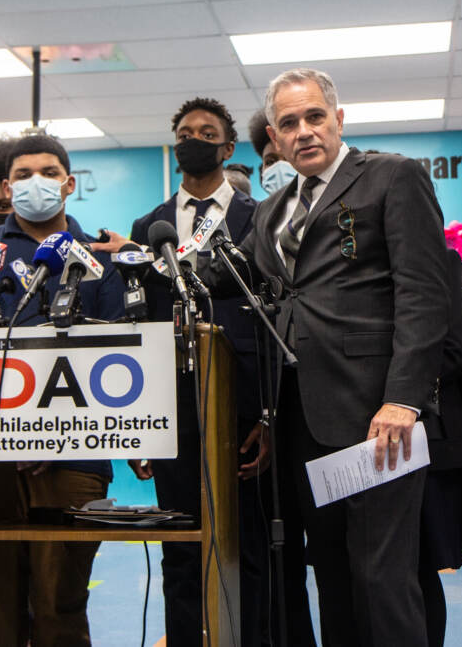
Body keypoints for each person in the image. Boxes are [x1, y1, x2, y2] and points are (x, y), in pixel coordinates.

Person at [214, 68, 449, 645]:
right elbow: (235, 279)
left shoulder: (393, 177)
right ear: (274, 136)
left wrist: (403, 399)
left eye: (315, 116)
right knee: (336, 575)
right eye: (289, 124)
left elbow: (424, 293)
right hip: (302, 419)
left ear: (339, 119)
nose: (304, 132)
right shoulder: (270, 212)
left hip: (377, 415)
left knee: (383, 577)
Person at [93, 96, 276, 647]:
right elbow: (139, 323)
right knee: (180, 545)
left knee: (249, 547)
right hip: (171, 407)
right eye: (184, 132)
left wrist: (268, 414)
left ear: (227, 147)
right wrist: (138, 423)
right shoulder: (148, 225)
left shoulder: (258, 218)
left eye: (206, 131)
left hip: (242, 402)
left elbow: (273, 322)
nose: (192, 139)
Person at [0, 134, 125, 647]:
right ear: (5, 185)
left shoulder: (99, 255)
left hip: (75, 454)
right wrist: (4, 428)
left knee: (60, 604)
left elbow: (112, 355)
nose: (34, 183)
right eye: (22, 175)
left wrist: (44, 435)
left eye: (47, 172)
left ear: (68, 184)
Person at [419, 248, 462, 646]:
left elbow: (455, 351)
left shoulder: (440, 261)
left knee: (419, 567)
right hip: (347, 432)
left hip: (423, 434)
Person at [248, 110, 296, 195]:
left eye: (288, 158)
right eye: (270, 162)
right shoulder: (261, 208)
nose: (280, 167)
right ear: (261, 172)